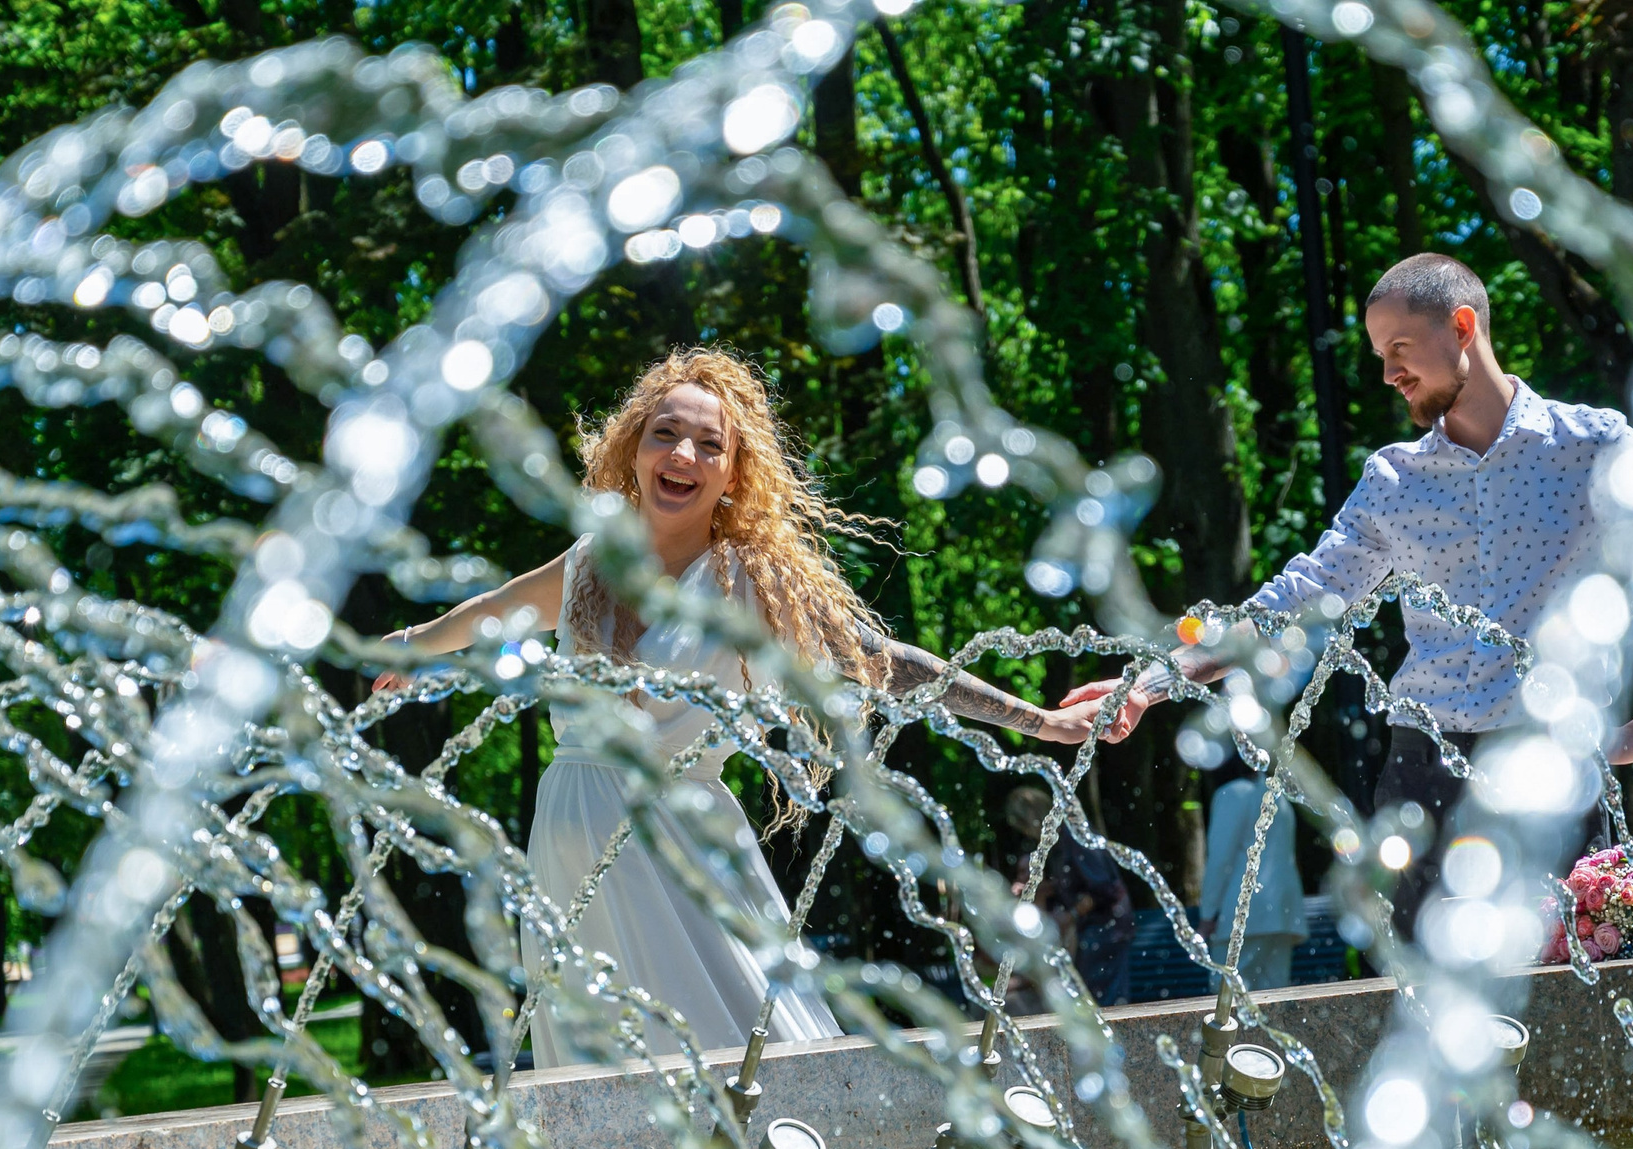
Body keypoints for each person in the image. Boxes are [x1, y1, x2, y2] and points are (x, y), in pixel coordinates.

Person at [376, 349, 1104, 1062]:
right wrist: (412, 644)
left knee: (743, 1046)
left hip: (683, 850)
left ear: (732, 473)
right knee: (598, 1081)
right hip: (568, 842)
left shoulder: (747, 580)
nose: (683, 452)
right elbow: (492, 610)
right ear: (633, 448)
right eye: (665, 432)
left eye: (708, 443)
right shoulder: (589, 562)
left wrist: (1043, 722)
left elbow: (886, 663)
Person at [1061, 254, 1633, 935]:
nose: (1389, 372)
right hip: (1422, 776)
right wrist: (1149, 683)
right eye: (1379, 355)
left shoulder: (1592, 447)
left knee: (1568, 1014)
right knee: (1426, 1018)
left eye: (1399, 347)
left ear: (1463, 328)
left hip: (1550, 769)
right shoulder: (1394, 482)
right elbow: (1291, 603)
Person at [1005, 785, 1136, 1006]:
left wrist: (1071, 915)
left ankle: (1115, 1038)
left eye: (1024, 826)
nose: (1027, 833)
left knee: (1101, 1001)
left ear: (1033, 818)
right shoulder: (1060, 841)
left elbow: (1103, 888)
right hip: (1095, 930)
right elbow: (1074, 884)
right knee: (1089, 998)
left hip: (1106, 929)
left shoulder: (1075, 837)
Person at [1198, 764, 1304, 990]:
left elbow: (1220, 860)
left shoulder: (1233, 793)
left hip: (1243, 913)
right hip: (1281, 913)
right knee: (1275, 1002)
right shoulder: (1278, 796)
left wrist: (1207, 914)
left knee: (1227, 1000)